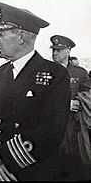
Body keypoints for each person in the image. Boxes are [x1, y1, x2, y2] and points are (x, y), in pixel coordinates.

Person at [0, 2, 71, 181]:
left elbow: (52, 131)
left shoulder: (55, 74)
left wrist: (1, 160)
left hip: (34, 172)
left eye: (1, 33)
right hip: (0, 174)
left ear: (20, 36)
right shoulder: (2, 73)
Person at [50, 35, 90, 180]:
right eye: (54, 50)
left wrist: (80, 101)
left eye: (59, 50)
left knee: (73, 167)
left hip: (73, 129)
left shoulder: (80, 73)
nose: (55, 53)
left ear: (68, 51)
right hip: (51, 127)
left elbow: (88, 95)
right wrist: (66, 104)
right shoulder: (45, 71)